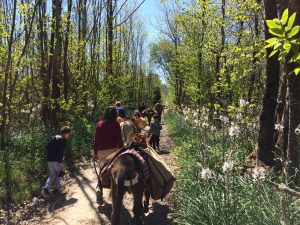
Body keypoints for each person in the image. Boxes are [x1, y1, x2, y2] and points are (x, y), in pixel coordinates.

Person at [42, 126, 71, 198]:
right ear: (65, 133)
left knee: (52, 175)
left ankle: (46, 188)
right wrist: (60, 161)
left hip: (49, 159)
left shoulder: (54, 138)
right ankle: (57, 189)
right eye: (68, 134)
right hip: (56, 160)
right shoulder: (63, 140)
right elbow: (60, 152)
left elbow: (47, 147)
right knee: (59, 174)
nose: (68, 135)